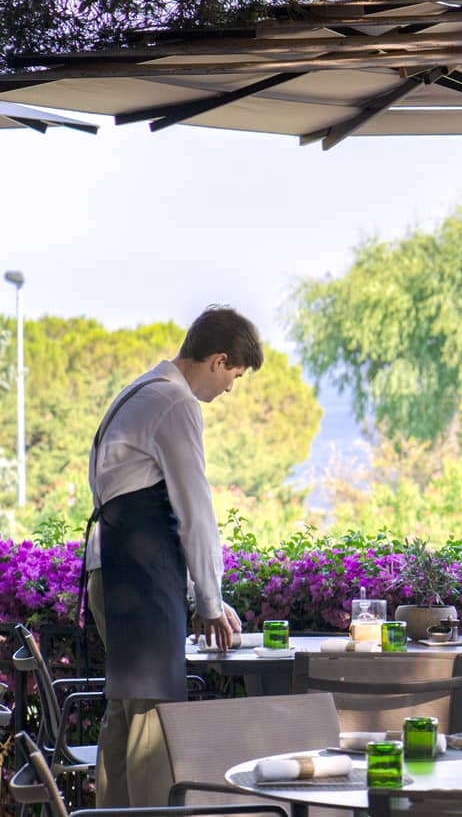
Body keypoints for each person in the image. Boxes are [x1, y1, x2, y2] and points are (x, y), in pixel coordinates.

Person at [84, 306, 262, 806]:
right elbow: (194, 510)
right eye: (234, 375)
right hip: (137, 583)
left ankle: (112, 814)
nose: (230, 388)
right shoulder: (175, 402)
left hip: (115, 574)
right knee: (152, 727)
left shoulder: (138, 391)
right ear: (218, 359)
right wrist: (209, 599)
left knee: (127, 716)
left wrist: (201, 594)